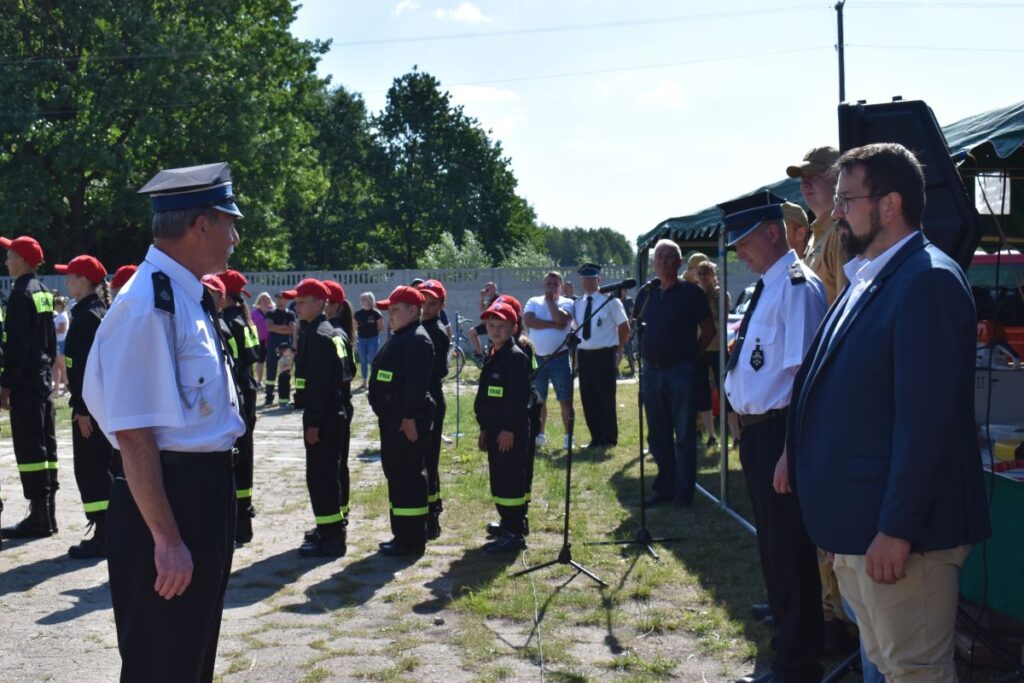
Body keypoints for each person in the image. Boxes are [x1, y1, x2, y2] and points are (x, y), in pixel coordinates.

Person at [790, 143, 991, 681]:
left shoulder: (927, 280)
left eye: (846, 198)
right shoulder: (868, 277)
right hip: (862, 531)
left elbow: (925, 423)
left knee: (913, 672)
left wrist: (896, 528)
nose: (836, 212)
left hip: (905, 541)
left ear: (889, 204)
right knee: (884, 665)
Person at [82, 162, 245, 681]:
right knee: (162, 663)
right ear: (202, 225)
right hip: (168, 500)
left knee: (191, 657)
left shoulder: (187, 297)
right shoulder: (148, 306)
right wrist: (168, 540)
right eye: (229, 223)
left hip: (201, 493)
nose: (234, 238)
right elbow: (133, 434)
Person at [719, 195, 828, 683]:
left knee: (791, 554)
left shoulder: (798, 287)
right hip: (759, 434)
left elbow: (805, 377)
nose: (739, 254)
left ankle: (799, 663)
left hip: (783, 434)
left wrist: (789, 452)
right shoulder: (768, 285)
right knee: (774, 549)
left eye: (743, 243)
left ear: (771, 232)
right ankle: (788, 647)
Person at [634, 240, 715, 507]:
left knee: (684, 433)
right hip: (651, 371)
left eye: (670, 257)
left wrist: (692, 356)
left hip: (681, 370)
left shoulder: (691, 293)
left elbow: (709, 329)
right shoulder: (647, 294)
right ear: (654, 262)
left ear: (679, 262)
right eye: (660, 257)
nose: (664, 261)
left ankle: (683, 492)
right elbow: (637, 327)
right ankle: (664, 486)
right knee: (657, 434)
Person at [57, 255, 116, 558]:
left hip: (90, 409)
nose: (66, 282)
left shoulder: (89, 316)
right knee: (98, 467)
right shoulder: (94, 312)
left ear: (82, 281)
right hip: (96, 406)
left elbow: (84, 370)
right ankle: (106, 530)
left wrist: (81, 409)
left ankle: (105, 534)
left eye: (69, 276)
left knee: (92, 469)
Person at [368, 285, 434, 557]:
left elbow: (416, 385)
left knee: (408, 476)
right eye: (389, 310)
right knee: (396, 475)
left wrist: (408, 417)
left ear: (413, 311)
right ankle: (401, 534)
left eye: (395, 310)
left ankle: (412, 539)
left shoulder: (417, 339)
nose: (390, 315)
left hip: (406, 420)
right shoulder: (401, 336)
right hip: (393, 419)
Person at [287, 278, 352, 558]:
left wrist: (312, 421)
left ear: (318, 303)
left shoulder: (318, 335)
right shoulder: (331, 331)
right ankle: (329, 529)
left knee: (321, 477)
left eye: (302, 302)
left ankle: (331, 538)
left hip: (324, 417)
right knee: (330, 474)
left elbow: (319, 385)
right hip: (333, 412)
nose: (296, 307)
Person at [0, 235, 59, 540]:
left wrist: (6, 384)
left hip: (25, 381)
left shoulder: (21, 294)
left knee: (30, 446)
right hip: (42, 377)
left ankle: (38, 516)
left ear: (21, 260)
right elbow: (48, 340)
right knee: (46, 444)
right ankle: (48, 512)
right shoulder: (44, 292)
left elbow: (16, 347)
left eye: (9, 256)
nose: (6, 261)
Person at [475, 301, 531, 554]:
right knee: (499, 478)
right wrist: (485, 428)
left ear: (514, 327)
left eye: (501, 326)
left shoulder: (516, 357)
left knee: (510, 481)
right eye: (491, 325)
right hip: (495, 429)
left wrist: (509, 428)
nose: (495, 330)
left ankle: (514, 532)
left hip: (510, 431)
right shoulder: (494, 354)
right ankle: (508, 522)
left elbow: (518, 398)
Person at [217, 269, 261, 545]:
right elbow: (254, 356)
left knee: (234, 459)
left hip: (238, 394)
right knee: (245, 457)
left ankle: (237, 524)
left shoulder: (226, 323)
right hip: (249, 391)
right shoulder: (244, 320)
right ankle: (243, 519)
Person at [315, 279, 356, 546]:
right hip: (342, 403)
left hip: (335, 405)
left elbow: (340, 373)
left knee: (332, 467)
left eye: (327, 302)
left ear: (337, 306)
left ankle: (336, 518)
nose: (323, 307)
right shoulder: (338, 331)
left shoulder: (333, 333)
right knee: (339, 464)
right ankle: (340, 513)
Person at [571, 263, 629, 448]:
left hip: (604, 354)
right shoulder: (578, 303)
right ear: (581, 281)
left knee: (606, 398)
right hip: (585, 355)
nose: (587, 282)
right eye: (584, 279)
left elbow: (624, 327)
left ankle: (609, 438)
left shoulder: (610, 301)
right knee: (588, 398)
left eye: (591, 278)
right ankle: (596, 437)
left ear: (599, 280)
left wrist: (619, 349)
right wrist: (577, 358)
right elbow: (577, 331)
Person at [787, 146, 847, 304]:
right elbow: (800, 291)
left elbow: (846, 304)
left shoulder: (840, 232)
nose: (805, 184)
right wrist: (791, 255)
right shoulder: (816, 234)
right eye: (803, 178)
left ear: (837, 178)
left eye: (813, 176)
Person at [416, 279, 451, 540]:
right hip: (423, 395)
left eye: (432, 303)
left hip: (431, 397)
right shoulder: (420, 326)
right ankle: (431, 506)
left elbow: (438, 370)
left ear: (440, 305)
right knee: (424, 457)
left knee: (429, 458)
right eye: (422, 301)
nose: (426, 307)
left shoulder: (435, 330)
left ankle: (432, 514)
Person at [523, 272, 574, 448]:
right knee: (538, 399)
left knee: (565, 398)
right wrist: (554, 325)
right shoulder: (533, 301)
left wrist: (551, 301)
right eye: (548, 283)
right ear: (543, 284)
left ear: (561, 286)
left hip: (559, 358)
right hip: (537, 358)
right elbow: (528, 321)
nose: (551, 286)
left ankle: (569, 437)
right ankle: (539, 435)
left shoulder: (568, 302)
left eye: (555, 283)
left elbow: (562, 318)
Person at [694, 260, 733, 449]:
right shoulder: (694, 294)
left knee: (726, 391)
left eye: (706, 273)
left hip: (718, 348)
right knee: (702, 393)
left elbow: (719, 320)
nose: (703, 277)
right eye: (700, 273)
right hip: (700, 349)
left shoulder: (721, 294)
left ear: (713, 275)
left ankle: (735, 435)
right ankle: (711, 435)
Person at [264, 291, 297, 405]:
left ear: (286, 300)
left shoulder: (290, 314)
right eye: (278, 298)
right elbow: (269, 327)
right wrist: (282, 327)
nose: (280, 300)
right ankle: (269, 397)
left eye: (282, 298)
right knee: (271, 371)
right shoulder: (271, 313)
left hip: (286, 345)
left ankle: (284, 398)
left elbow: (291, 329)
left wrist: (278, 328)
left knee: (285, 371)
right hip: (273, 344)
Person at [354, 292, 384, 390]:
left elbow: (381, 327)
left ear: (370, 300)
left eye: (365, 299)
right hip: (361, 340)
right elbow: (355, 326)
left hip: (373, 339)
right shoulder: (358, 314)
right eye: (362, 299)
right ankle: (364, 382)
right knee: (363, 361)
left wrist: (374, 334)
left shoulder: (376, 313)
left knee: (372, 360)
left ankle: (373, 381)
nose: (363, 301)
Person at [251, 291, 273, 388]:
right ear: (259, 301)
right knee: (260, 361)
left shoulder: (273, 311)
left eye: (267, 299)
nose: (265, 301)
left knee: (271, 361)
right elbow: (251, 326)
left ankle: (270, 380)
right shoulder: (255, 313)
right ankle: (259, 381)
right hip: (260, 340)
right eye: (263, 299)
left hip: (271, 340)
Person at [53, 296, 70, 395]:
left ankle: (67, 388)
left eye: (56, 304)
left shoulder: (63, 316)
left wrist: (50, 331)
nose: (54, 306)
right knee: (56, 366)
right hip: (57, 342)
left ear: (60, 305)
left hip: (61, 342)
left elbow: (62, 330)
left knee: (62, 366)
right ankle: (56, 389)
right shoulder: (59, 315)